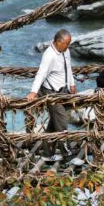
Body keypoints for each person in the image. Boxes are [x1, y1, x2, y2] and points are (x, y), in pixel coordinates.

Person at [27, 29, 77, 161]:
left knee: (55, 123)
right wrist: (33, 91)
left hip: (63, 90)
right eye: (67, 43)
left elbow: (69, 68)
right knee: (62, 122)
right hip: (51, 92)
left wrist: (72, 84)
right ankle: (68, 155)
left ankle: (47, 153)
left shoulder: (65, 51)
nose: (68, 46)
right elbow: (41, 74)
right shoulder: (49, 55)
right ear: (59, 42)